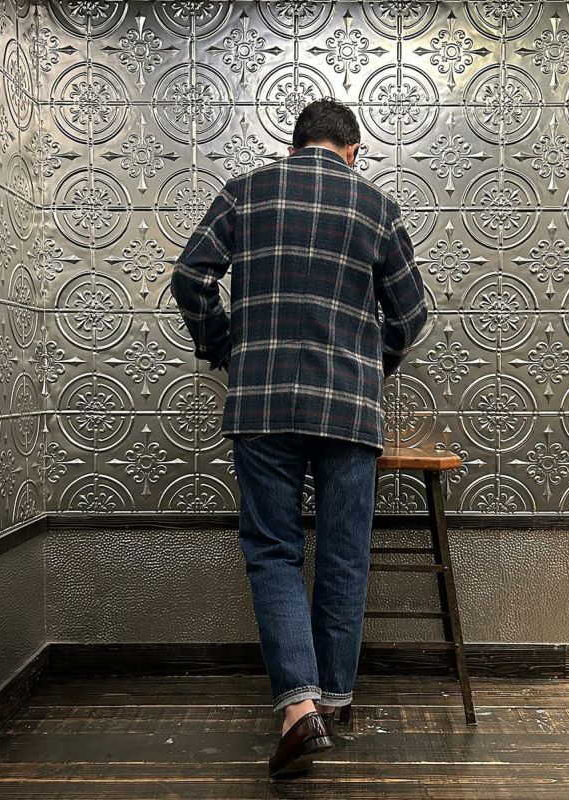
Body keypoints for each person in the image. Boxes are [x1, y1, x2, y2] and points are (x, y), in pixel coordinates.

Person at [170, 98, 428, 778]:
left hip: (262, 404)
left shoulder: (245, 191)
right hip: (349, 410)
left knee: (273, 552)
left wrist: (224, 346)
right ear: (353, 151)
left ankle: (300, 707)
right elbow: (411, 314)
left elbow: (191, 277)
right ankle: (333, 701)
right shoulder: (376, 206)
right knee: (344, 555)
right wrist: (373, 365)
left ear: (293, 147)